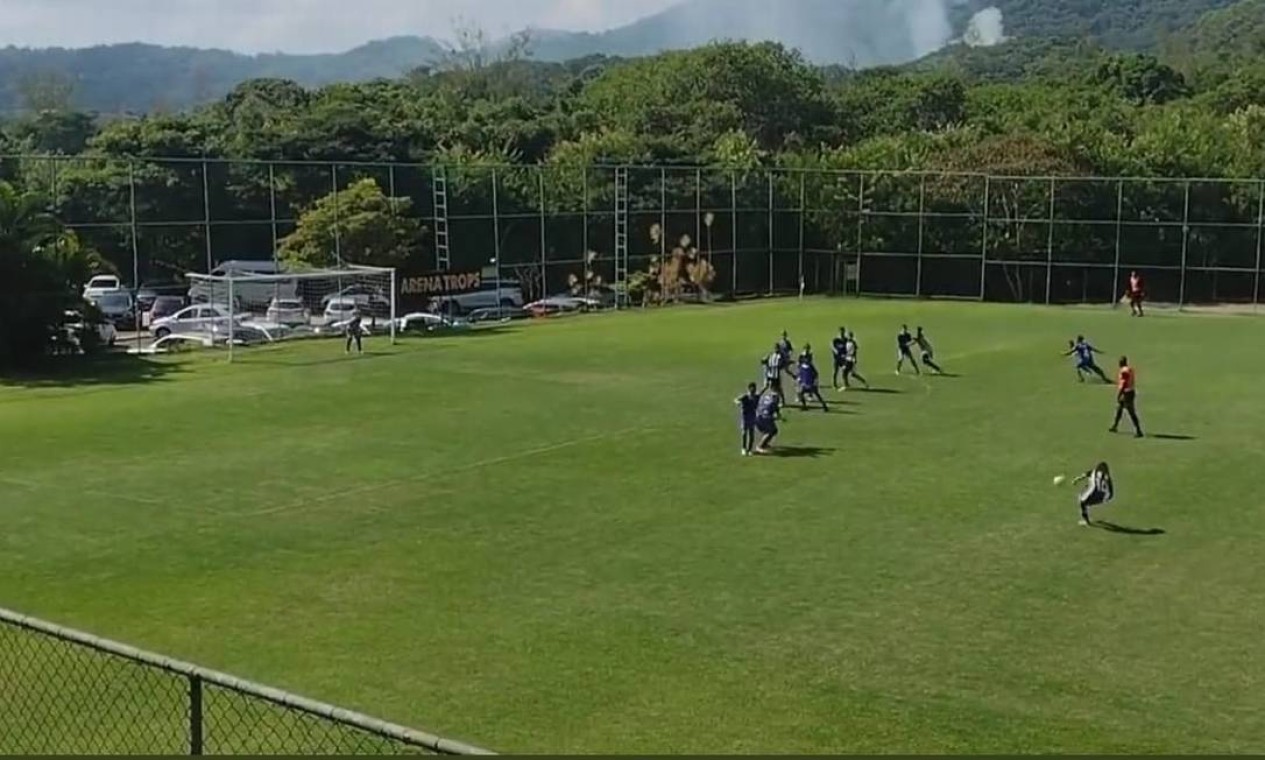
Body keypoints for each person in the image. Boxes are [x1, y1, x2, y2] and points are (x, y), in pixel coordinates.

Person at [1110, 356, 1144, 438]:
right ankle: (1115, 426)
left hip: (1127, 393)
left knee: (1131, 412)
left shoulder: (1124, 371)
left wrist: (1119, 394)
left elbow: (1124, 383)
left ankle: (1138, 431)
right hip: (1130, 391)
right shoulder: (1129, 369)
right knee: (1119, 409)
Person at [1073, 462, 1115, 526]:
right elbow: (1110, 489)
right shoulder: (1107, 476)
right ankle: (1087, 510)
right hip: (1104, 497)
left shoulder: (1094, 472)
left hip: (1095, 493)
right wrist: (1109, 497)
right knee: (1085, 501)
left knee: (1082, 502)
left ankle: (1087, 522)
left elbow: (1085, 476)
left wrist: (1076, 479)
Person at [735, 383, 760, 457]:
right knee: (744, 433)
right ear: (749, 389)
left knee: (751, 434)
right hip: (745, 417)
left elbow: (761, 393)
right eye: (753, 388)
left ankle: (750, 449)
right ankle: (743, 448)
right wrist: (738, 403)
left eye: (755, 388)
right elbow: (736, 399)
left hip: (752, 416)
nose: (754, 390)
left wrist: (766, 387)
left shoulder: (756, 397)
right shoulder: (745, 396)